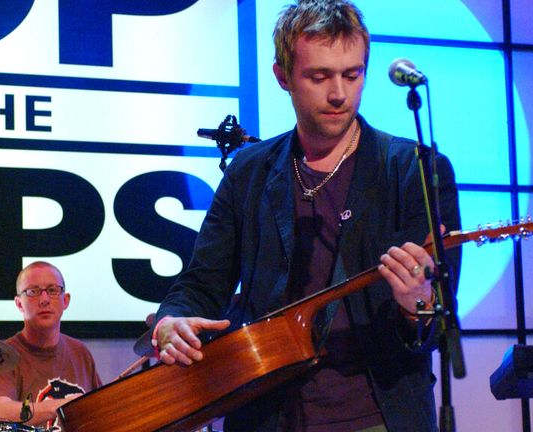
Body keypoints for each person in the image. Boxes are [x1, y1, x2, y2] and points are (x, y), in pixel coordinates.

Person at [152, 0, 461, 431]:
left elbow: (436, 321)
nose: (339, 93)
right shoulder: (250, 170)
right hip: (264, 413)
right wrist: (172, 321)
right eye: (319, 76)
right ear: (283, 77)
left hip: (377, 416)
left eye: (352, 75)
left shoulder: (415, 169)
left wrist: (417, 307)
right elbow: (203, 282)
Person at [0, 261, 102, 431]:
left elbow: (100, 413)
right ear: (19, 304)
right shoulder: (4, 355)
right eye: (33, 292)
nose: (44, 300)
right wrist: (62, 407)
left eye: (52, 290)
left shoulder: (80, 352)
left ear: (65, 300)